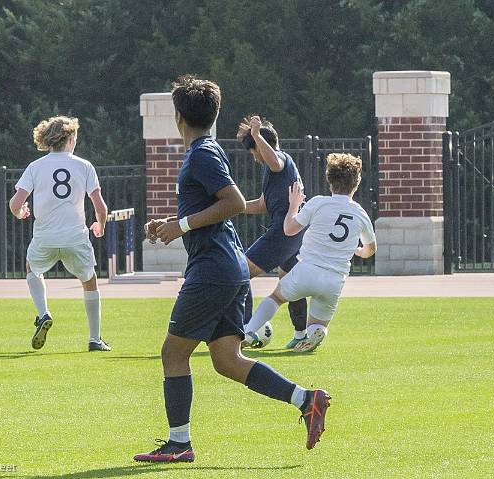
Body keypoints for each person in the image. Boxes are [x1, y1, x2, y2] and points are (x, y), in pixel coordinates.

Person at [135, 75, 330, 463]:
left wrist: (183, 226)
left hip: (214, 269)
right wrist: (171, 224)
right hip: (229, 266)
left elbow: (235, 202)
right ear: (216, 115)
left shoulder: (201, 154)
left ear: (178, 117)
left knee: (173, 354)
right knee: (226, 360)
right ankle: (307, 400)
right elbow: (213, 207)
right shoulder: (207, 150)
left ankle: (179, 444)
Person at [244, 153, 377, 353]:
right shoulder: (361, 213)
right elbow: (371, 249)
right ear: (356, 183)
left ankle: (249, 331)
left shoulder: (318, 203)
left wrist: (294, 205)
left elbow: (289, 229)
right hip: (334, 280)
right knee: (317, 324)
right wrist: (359, 251)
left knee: (275, 298)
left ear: (329, 179)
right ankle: (318, 332)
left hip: (307, 271)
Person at [9, 115, 111, 352]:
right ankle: (95, 339)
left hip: (45, 236)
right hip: (75, 236)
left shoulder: (35, 167)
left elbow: (15, 204)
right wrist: (100, 225)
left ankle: (44, 313)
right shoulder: (84, 166)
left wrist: (21, 212)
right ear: (70, 138)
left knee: (32, 269)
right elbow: (101, 207)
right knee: (89, 280)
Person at [236, 115, 308, 349]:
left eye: (253, 151)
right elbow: (262, 204)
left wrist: (256, 136)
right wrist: (230, 207)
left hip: (283, 232)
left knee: (240, 272)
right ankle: (301, 335)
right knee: (290, 284)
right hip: (293, 232)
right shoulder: (274, 171)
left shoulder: (280, 161)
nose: (255, 158)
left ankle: (247, 330)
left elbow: (275, 160)